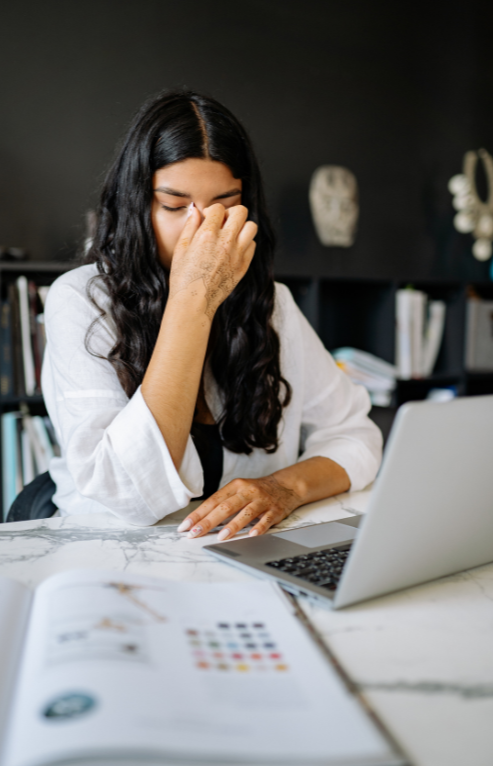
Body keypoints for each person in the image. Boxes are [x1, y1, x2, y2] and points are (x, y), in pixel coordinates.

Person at [42, 89, 382, 540]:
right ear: (136, 205)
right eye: (175, 206)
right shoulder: (81, 300)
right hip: (113, 553)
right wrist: (193, 297)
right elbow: (128, 494)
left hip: (237, 549)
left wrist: (284, 487)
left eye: (225, 204)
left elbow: (356, 435)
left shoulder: (271, 303)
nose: (202, 227)